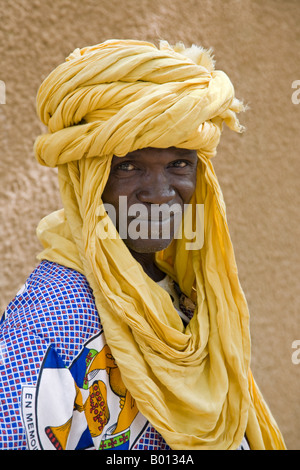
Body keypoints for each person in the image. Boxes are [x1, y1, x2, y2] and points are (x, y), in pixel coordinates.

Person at [0, 39, 286, 450]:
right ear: (88, 180)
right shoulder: (50, 321)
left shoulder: (190, 300)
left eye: (179, 164)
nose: (158, 193)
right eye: (129, 167)